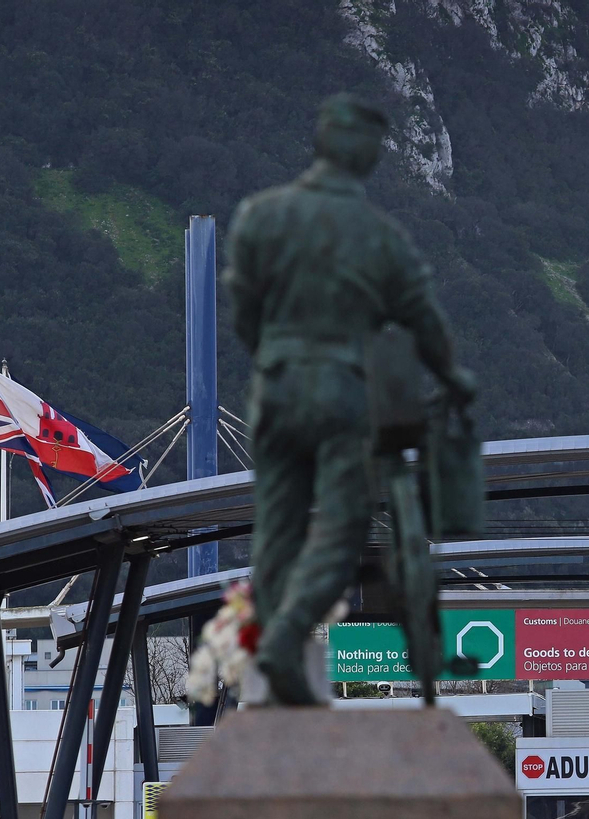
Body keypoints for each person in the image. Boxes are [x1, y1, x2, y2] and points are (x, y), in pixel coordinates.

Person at [225, 93, 475, 704]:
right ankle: (284, 641)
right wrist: (454, 379)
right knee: (342, 528)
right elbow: (426, 324)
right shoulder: (379, 236)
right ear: (362, 153)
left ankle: (267, 658)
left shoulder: (261, 214)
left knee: (278, 524)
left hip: (276, 389)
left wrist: (275, 355)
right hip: (341, 396)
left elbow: (242, 306)